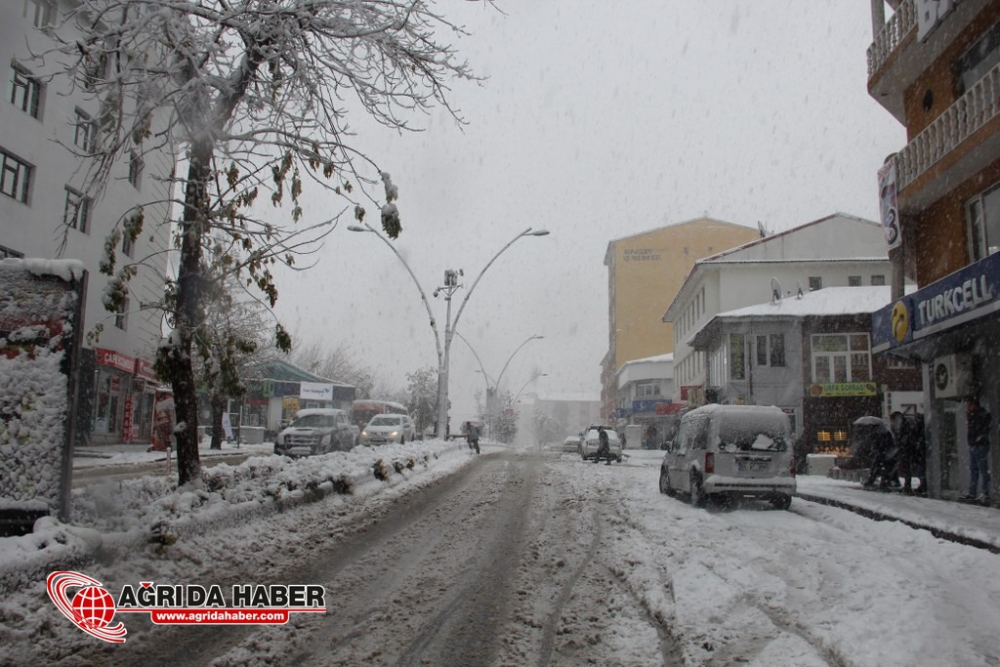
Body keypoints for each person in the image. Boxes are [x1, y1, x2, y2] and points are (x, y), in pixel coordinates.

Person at [960, 397, 991, 504]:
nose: (968, 407)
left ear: (975, 405)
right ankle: (973, 492)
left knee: (982, 469)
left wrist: (978, 439)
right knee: (974, 469)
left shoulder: (982, 415)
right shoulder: (975, 416)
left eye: (970, 405)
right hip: (974, 445)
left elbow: (983, 429)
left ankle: (985, 493)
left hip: (980, 445)